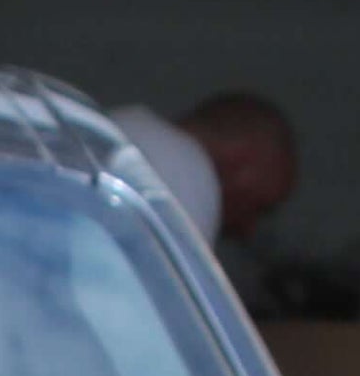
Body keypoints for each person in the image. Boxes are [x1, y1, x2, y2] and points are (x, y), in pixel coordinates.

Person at [107, 91, 301, 304]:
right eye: (258, 208)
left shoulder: (116, 127)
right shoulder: (182, 168)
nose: (248, 230)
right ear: (239, 161)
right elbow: (171, 307)